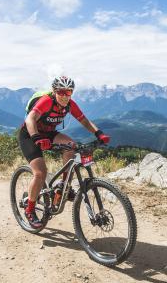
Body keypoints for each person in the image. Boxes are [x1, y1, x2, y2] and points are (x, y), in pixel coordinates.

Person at [19, 75, 111, 228]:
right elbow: (30, 119)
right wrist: (36, 138)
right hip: (29, 134)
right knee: (40, 173)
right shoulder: (46, 101)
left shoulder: (70, 104)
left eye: (68, 92)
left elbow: (84, 120)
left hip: (49, 134)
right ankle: (29, 209)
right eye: (61, 92)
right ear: (54, 91)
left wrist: (99, 133)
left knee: (72, 146)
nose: (65, 96)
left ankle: (63, 186)